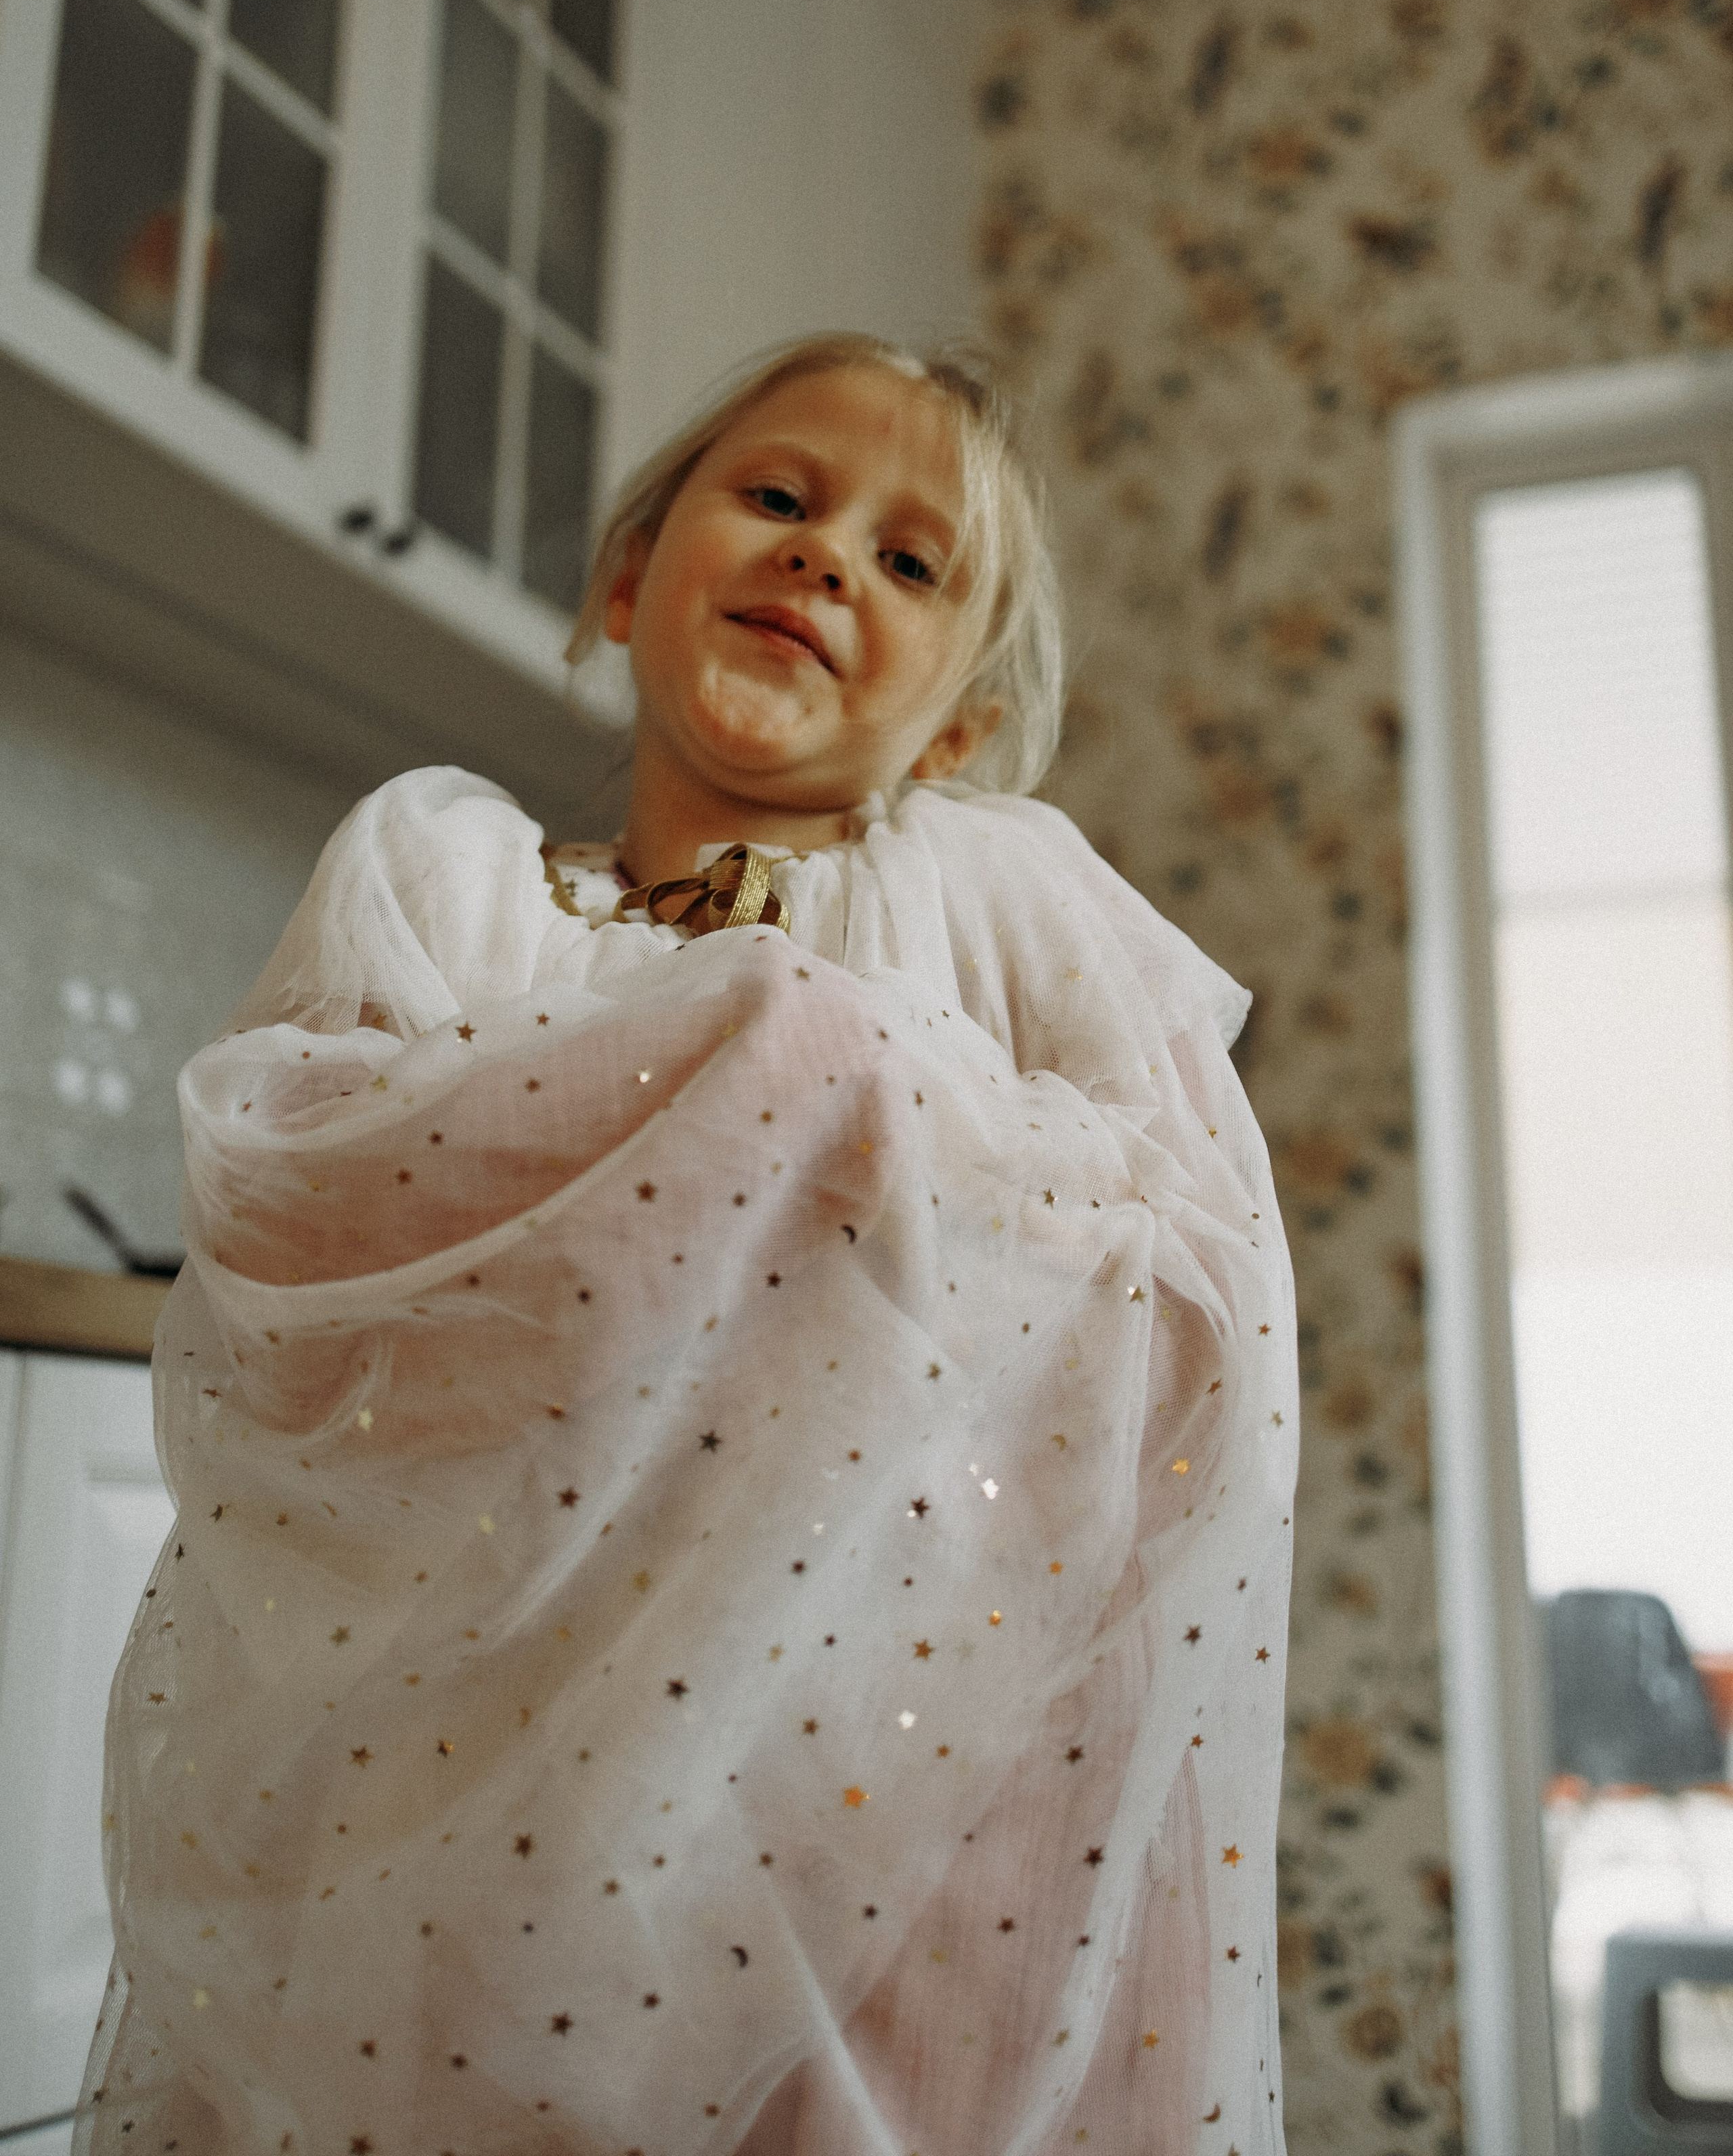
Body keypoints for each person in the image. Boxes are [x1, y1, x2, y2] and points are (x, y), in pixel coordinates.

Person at [79, 334, 1297, 2155]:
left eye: (910, 562)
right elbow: (293, 1192)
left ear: (956, 724)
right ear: (633, 577)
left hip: (896, 1786)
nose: (826, 560)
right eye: (783, 499)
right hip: (450, 1790)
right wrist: (762, 1078)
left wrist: (828, 1076)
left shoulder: (1005, 896)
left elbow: (1196, 1283)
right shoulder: (449, 878)